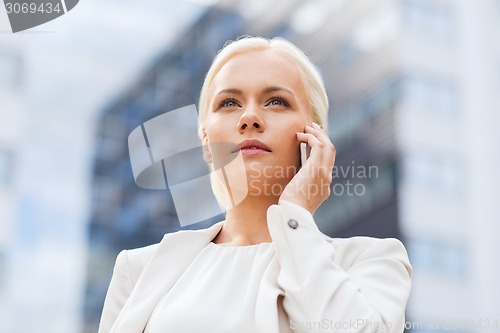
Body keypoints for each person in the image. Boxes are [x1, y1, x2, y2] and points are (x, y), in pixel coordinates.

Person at [98, 36, 412, 333]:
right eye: (229, 103)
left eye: (276, 101)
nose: (249, 118)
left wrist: (295, 213)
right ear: (207, 142)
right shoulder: (138, 269)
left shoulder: (370, 261)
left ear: (314, 137)